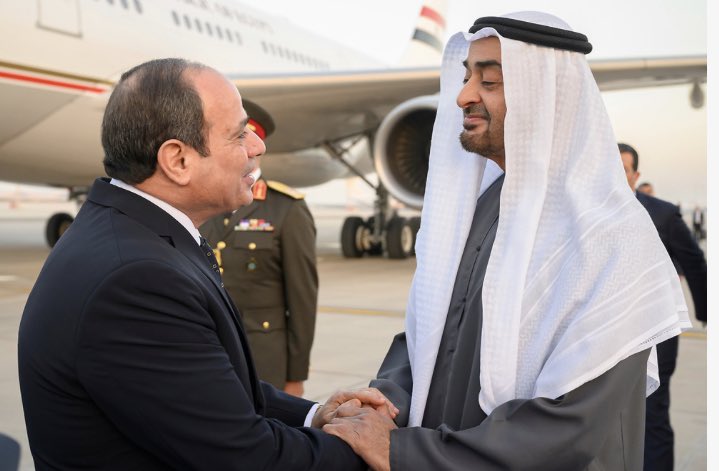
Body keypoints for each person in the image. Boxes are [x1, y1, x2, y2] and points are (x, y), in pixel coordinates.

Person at [323, 12, 691, 470]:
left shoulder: (611, 233)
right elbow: (430, 333)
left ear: (544, 96)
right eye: (466, 77)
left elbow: (569, 425)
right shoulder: (482, 207)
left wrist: (402, 452)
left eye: (490, 82)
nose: (463, 96)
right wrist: (384, 402)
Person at [17, 58, 395, 470]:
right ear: (178, 161)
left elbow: (205, 389)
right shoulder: (136, 281)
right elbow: (247, 459)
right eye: (238, 134)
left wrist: (314, 414)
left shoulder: (134, 233)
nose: (258, 146)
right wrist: (377, 448)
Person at [619, 142, 707, 471]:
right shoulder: (587, 210)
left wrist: (705, 312)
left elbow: (694, 262)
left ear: (636, 174)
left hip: (657, 332)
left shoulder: (663, 214)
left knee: (653, 415)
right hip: (612, 336)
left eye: (623, 169)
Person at [201, 173, 318, 396]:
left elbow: (302, 301)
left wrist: (296, 375)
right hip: (209, 359)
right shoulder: (203, 199)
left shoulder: (286, 207)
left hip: (264, 362)